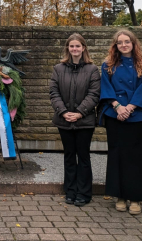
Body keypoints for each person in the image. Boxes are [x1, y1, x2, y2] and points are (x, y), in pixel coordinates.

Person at [99, 30, 142, 215]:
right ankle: (120, 195)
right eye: (119, 42)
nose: (123, 45)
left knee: (136, 157)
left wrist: (129, 107)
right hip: (115, 115)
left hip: (136, 115)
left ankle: (136, 197)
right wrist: (117, 107)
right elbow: (106, 88)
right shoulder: (107, 65)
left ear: (133, 43)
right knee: (117, 155)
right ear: (115, 45)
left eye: (127, 42)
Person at [49, 33, 101, 207]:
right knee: (69, 156)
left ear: (83, 48)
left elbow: (94, 94)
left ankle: (84, 193)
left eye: (78, 46)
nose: (75, 49)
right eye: (71, 46)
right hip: (64, 121)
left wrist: (79, 112)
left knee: (83, 156)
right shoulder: (58, 69)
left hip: (84, 122)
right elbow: (54, 93)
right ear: (68, 48)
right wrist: (63, 112)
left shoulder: (92, 69)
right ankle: (70, 191)